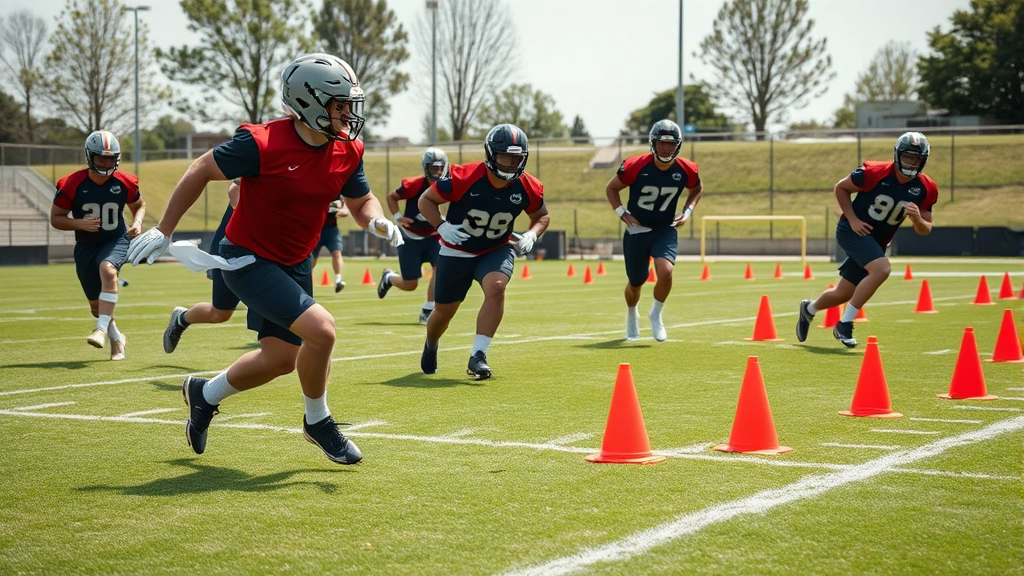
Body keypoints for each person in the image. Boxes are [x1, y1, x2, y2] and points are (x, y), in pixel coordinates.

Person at [127, 53, 404, 464]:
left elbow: (361, 199)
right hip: (246, 257)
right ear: (309, 101)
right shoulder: (263, 143)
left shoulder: (348, 148)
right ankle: (317, 422)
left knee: (279, 360)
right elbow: (202, 168)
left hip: (295, 261)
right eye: (339, 105)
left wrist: (376, 220)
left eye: (350, 105)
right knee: (323, 332)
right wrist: (164, 229)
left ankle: (204, 395)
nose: (348, 115)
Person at [417, 124, 549, 380]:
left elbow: (542, 216)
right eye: (505, 157)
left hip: (495, 248)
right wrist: (441, 226)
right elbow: (426, 200)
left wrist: (533, 234)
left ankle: (478, 355)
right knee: (443, 314)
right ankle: (431, 344)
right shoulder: (463, 176)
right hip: (456, 250)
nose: (512, 164)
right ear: (491, 154)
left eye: (517, 158)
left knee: (497, 287)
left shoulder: (527, 185)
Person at [797, 132, 936, 348]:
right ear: (897, 155)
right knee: (882, 270)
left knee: (843, 293)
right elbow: (841, 188)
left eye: (915, 159)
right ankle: (844, 323)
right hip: (853, 231)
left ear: (923, 160)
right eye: (907, 157)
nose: (910, 162)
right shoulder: (874, 173)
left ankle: (808, 309)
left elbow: (925, 229)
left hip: (877, 241)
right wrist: (852, 219)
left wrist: (917, 219)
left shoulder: (926, 188)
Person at [49, 130, 145, 361]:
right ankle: (116, 337)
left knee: (108, 269)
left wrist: (138, 222)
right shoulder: (72, 184)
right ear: (90, 156)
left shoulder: (124, 182)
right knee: (95, 305)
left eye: (110, 158)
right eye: (101, 157)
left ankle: (101, 330)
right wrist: (78, 223)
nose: (106, 162)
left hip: (116, 240)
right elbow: (56, 218)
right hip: (85, 245)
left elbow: (139, 204)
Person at [605, 119, 703, 342]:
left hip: (665, 228)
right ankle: (632, 313)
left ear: (678, 145)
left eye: (671, 144)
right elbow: (611, 188)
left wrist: (687, 211)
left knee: (666, 271)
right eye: (661, 143)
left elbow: (697, 188)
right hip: (638, 229)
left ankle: (656, 314)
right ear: (653, 144)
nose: (666, 148)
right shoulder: (635, 165)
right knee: (636, 282)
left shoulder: (686, 169)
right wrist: (622, 213)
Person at [162, 181, 242, 353]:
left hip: (266, 251)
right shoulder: (271, 161)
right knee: (220, 313)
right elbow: (236, 186)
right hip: (231, 248)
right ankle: (182, 319)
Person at [377, 147, 448, 323]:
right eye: (434, 168)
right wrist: (398, 217)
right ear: (426, 168)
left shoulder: (447, 185)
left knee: (439, 270)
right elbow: (391, 197)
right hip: (410, 237)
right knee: (410, 284)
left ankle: (428, 309)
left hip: (433, 236)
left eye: (440, 168)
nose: (437, 171)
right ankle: (389, 278)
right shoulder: (414, 185)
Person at [313, 197, 350, 292]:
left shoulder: (337, 193)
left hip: (332, 229)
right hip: (316, 228)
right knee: (312, 257)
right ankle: (306, 279)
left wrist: (339, 210)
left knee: (336, 253)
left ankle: (338, 280)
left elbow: (345, 210)